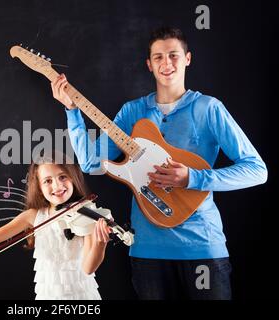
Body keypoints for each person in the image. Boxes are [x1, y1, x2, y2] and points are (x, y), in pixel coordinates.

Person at [50, 27, 268, 299]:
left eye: (174, 55)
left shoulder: (209, 108)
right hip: (147, 252)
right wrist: (72, 111)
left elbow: (257, 170)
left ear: (188, 58)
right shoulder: (132, 112)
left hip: (203, 247)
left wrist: (193, 178)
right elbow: (91, 164)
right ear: (149, 65)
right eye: (158, 57)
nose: (167, 63)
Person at [0, 152, 112, 300]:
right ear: (39, 187)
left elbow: (88, 267)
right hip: (47, 296)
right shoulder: (34, 216)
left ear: (73, 177)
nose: (57, 186)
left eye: (63, 177)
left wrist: (100, 244)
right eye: (47, 181)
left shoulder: (85, 213)